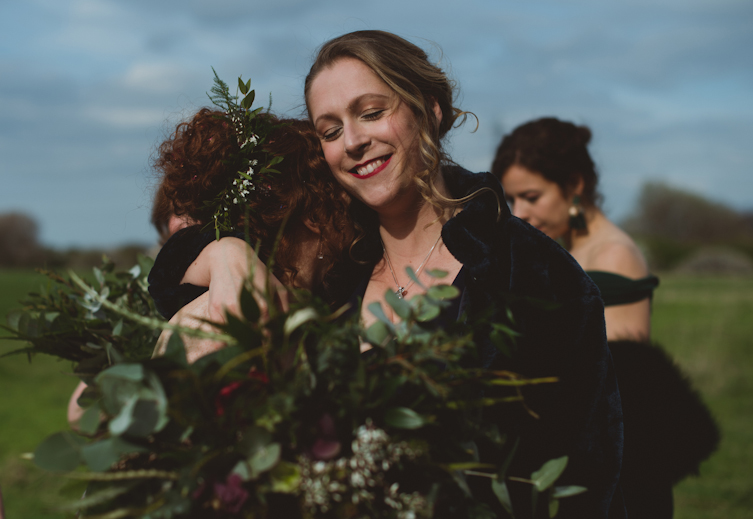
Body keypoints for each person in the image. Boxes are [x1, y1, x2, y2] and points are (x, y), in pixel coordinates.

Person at [153, 32, 624, 517]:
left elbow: (587, 466)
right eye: (330, 130)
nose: (353, 142)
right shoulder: (335, 259)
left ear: (430, 110)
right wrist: (230, 254)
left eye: (372, 112)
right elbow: (170, 273)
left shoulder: (527, 269)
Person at [491, 117, 720, 518]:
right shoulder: (570, 252)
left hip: (620, 472)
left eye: (531, 196)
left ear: (574, 184)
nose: (520, 212)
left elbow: (619, 384)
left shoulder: (612, 254)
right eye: (512, 200)